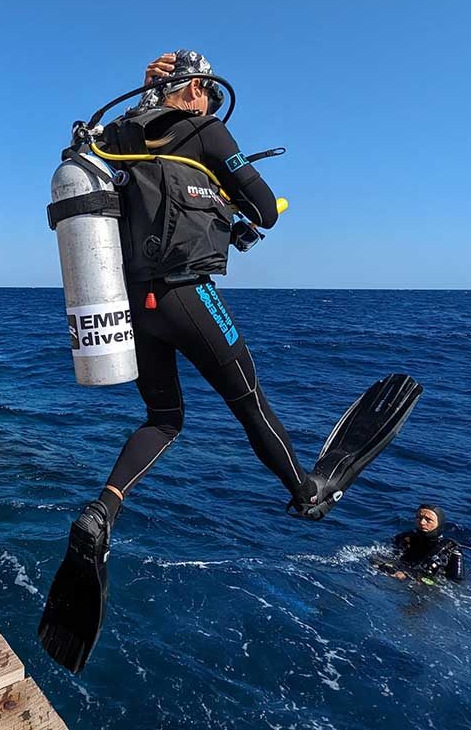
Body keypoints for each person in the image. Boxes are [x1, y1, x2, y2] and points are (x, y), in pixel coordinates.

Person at [38, 50, 423, 673]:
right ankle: (306, 491)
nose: (211, 106)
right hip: (188, 293)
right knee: (251, 402)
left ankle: (102, 509)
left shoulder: (118, 136)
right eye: (206, 95)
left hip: (133, 303)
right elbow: (266, 208)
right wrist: (242, 201)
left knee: (165, 416)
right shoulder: (205, 131)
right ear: (195, 90)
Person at [380, 505, 465, 583]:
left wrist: (411, 575)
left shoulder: (451, 549)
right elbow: (387, 556)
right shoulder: (405, 538)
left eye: (428, 520)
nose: (422, 522)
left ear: (439, 523)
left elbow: (456, 582)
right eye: (419, 518)